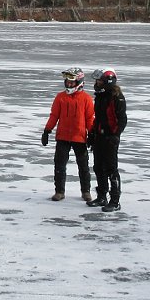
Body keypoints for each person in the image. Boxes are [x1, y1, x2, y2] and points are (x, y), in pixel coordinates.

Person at [41, 67, 95, 202]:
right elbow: (54, 115)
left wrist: (92, 135)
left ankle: (86, 191)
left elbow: (90, 118)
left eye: (71, 82)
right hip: (63, 137)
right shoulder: (60, 97)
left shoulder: (86, 99)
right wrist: (47, 130)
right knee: (59, 165)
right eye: (67, 82)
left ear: (79, 83)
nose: (68, 85)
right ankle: (59, 191)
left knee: (83, 166)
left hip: (80, 137)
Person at [86, 68, 127, 212]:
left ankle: (115, 201)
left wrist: (115, 136)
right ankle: (102, 196)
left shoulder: (117, 97)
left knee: (111, 169)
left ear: (108, 81)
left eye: (100, 81)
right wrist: (92, 135)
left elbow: (122, 120)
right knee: (98, 167)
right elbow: (98, 118)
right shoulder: (100, 96)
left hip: (110, 138)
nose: (97, 83)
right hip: (99, 136)